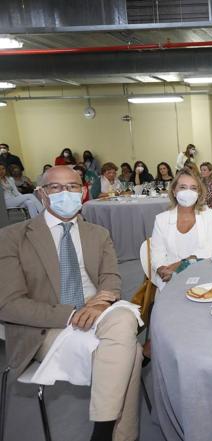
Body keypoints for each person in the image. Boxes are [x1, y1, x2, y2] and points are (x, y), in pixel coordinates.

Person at [0, 165, 143, 441]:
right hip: (45, 326)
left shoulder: (98, 234)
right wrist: (72, 313)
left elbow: (111, 280)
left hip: (98, 312)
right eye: (56, 187)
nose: (65, 193)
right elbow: (9, 304)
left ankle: (101, 435)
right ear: (42, 194)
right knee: (133, 352)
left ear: (83, 191)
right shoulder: (12, 238)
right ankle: (118, 436)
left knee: (123, 317)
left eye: (73, 187)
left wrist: (99, 305)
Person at [151, 170, 212, 291]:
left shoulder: (209, 215)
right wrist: (162, 269)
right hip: (170, 279)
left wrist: (182, 264)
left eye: (193, 188)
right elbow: (157, 253)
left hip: (202, 275)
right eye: (183, 187)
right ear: (174, 191)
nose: (188, 192)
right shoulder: (161, 219)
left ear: (198, 192)